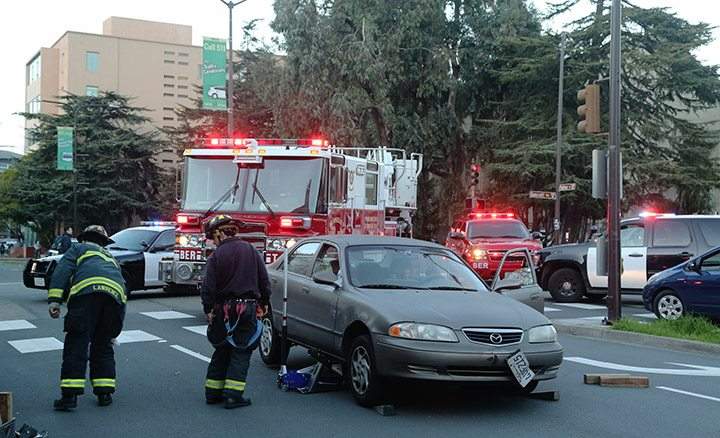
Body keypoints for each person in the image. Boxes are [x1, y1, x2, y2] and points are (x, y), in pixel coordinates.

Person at [47, 225, 126, 411]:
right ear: (104, 242)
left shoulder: (78, 249)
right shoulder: (111, 259)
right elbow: (123, 294)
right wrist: (114, 331)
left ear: (84, 239)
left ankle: (69, 397)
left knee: (77, 344)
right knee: (103, 345)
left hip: (85, 297)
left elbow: (62, 271)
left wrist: (54, 300)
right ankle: (104, 393)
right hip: (113, 299)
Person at [201, 215, 270, 409]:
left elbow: (208, 287)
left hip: (222, 310)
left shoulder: (216, 256)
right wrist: (264, 303)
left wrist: (208, 309)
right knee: (241, 350)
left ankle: (212, 393)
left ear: (219, 234)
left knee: (222, 349)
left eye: (213, 238)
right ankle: (233, 395)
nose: (213, 243)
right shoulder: (251, 251)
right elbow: (264, 281)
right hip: (246, 309)